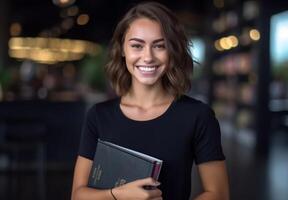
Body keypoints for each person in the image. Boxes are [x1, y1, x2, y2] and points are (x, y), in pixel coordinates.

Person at [71, 2, 229, 200]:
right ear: (122, 49)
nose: (148, 57)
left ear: (172, 50)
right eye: (137, 46)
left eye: (159, 46)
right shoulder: (98, 116)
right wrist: (118, 195)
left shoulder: (198, 116)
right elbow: (77, 196)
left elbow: (219, 194)